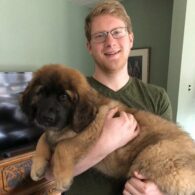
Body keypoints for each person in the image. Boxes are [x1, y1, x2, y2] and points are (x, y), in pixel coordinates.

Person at [49, 0, 172, 194]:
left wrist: (157, 190)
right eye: (100, 36)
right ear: (89, 46)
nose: (110, 42)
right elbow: (49, 173)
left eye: (117, 32)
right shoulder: (70, 94)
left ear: (130, 39)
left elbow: (170, 160)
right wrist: (105, 144)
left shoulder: (157, 98)